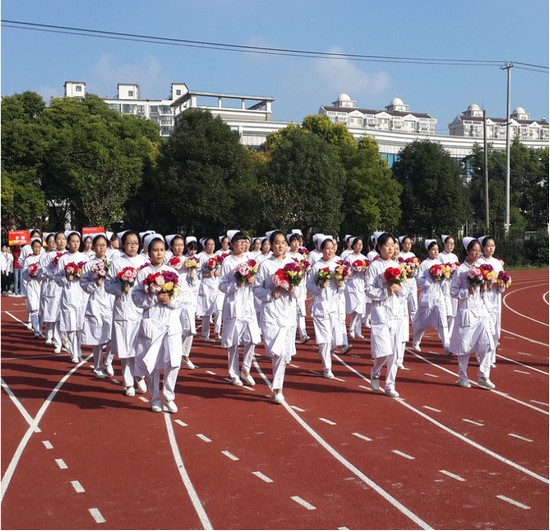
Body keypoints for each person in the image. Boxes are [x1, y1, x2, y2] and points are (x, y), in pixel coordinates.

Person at [132, 234, 185, 413]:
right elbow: (136, 297)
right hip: (153, 323)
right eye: (155, 250)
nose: (159, 253)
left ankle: (169, 396)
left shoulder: (173, 273)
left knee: (174, 361)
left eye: (162, 250)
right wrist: (154, 298)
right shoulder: (144, 273)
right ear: (148, 252)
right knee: (153, 363)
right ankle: (154, 398)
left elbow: (183, 297)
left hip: (171, 324)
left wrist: (169, 299)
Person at [253, 231, 298, 403]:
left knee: (282, 353)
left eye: (283, 243)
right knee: (276, 351)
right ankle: (277, 387)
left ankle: (277, 389)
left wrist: (292, 289)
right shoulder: (265, 265)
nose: (281, 246)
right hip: (271, 312)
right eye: (277, 243)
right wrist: (272, 293)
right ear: (271, 245)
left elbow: (300, 289)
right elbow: (257, 289)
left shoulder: (292, 265)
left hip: (287, 312)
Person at [105, 230, 148, 396]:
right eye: (129, 243)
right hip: (124, 310)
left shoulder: (144, 261)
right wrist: (120, 287)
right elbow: (108, 286)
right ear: (123, 244)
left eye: (135, 243)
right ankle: (129, 383)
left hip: (142, 310)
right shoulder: (117, 262)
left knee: (141, 347)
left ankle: (140, 375)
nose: (132, 246)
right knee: (126, 349)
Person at [449, 237, 496, 390]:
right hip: (467, 312)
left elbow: (484, 290)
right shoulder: (461, 270)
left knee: (488, 343)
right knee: (465, 347)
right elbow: (453, 291)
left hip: (481, 311)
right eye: (473, 251)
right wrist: (466, 291)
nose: (476, 254)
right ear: (467, 251)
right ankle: (462, 375)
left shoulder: (482, 268)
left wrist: (486, 286)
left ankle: (483, 375)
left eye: (478, 251)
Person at [365, 232, 405, 398]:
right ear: (379, 247)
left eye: (392, 245)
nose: (390, 248)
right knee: (384, 351)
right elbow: (368, 290)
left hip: (396, 313)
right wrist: (385, 291)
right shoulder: (374, 266)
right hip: (381, 313)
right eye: (387, 245)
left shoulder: (398, 266)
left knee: (395, 353)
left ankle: (390, 384)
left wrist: (399, 289)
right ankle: (375, 370)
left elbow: (404, 290)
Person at [219, 230, 261, 387]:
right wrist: (236, 284)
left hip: (248, 305)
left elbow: (257, 280)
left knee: (253, 339)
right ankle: (234, 374)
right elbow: (222, 285)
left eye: (245, 242)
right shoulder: (227, 262)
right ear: (232, 244)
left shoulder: (251, 260)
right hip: (234, 305)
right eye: (240, 242)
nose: (244, 244)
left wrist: (252, 280)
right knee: (233, 342)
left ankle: (246, 369)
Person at [306, 236, 345, 379]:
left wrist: (341, 284)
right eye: (327, 248)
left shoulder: (338, 266)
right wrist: (319, 287)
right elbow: (309, 285)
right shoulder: (316, 266)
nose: (330, 251)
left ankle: (325, 351)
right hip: (320, 306)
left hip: (334, 307)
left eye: (332, 248)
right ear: (321, 249)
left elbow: (342, 288)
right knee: (325, 339)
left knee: (336, 340)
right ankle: (327, 368)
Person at [80, 234, 115, 378]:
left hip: (111, 302)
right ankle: (98, 366)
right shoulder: (89, 265)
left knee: (113, 335)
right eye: (98, 245)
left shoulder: (113, 263)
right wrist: (95, 283)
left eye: (104, 245)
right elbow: (83, 284)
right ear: (94, 247)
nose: (101, 248)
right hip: (95, 303)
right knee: (98, 337)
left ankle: (109, 361)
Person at [54, 231, 90, 363]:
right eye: (73, 241)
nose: (75, 244)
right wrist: (66, 278)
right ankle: (73, 352)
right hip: (68, 296)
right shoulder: (63, 258)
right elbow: (57, 278)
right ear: (68, 243)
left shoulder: (85, 258)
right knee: (71, 326)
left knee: (80, 326)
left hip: (82, 296)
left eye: (78, 241)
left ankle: (78, 348)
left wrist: (81, 276)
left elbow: (89, 277)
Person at [411, 240, 450, 355]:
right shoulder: (424, 264)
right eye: (433, 250)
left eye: (437, 250)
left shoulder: (441, 264)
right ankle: (416, 341)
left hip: (439, 297)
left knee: (443, 321)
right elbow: (419, 281)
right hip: (427, 297)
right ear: (428, 250)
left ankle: (446, 345)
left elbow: (444, 281)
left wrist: (442, 279)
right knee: (422, 322)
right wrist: (430, 279)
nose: (436, 252)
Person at [479, 236, 504, 367]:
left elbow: (503, 279)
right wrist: (486, 282)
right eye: (488, 246)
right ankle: (483, 356)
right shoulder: (479, 262)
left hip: (495, 299)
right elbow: (476, 281)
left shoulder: (497, 263)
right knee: (485, 328)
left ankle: (492, 357)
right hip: (484, 298)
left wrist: (501, 284)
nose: (491, 248)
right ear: (483, 247)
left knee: (495, 328)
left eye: (493, 245)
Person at [40, 232, 67, 352]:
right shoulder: (51, 256)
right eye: (59, 239)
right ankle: (57, 342)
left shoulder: (69, 255)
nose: (61, 241)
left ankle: (65, 340)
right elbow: (44, 271)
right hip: (54, 289)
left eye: (63, 239)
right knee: (56, 317)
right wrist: (53, 274)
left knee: (65, 317)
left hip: (68, 290)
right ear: (55, 242)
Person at [197, 237, 223, 342]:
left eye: (213, 244)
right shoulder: (201, 258)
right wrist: (207, 274)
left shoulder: (219, 258)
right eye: (209, 244)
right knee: (207, 312)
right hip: (206, 287)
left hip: (217, 287)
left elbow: (223, 272)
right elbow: (197, 274)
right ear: (205, 246)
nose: (211, 246)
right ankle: (205, 334)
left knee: (218, 310)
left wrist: (218, 273)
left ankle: (217, 333)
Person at [287, 232, 310, 344]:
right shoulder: (286, 256)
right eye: (294, 241)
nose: (296, 244)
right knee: (291, 311)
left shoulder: (301, 257)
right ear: (290, 243)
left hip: (300, 287)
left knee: (301, 311)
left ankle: (303, 334)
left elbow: (305, 273)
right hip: (290, 287)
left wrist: (305, 270)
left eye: (298, 241)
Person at [344, 237, 368, 339]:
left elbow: (367, 273)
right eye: (357, 244)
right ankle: (352, 329)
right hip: (352, 285)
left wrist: (364, 271)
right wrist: (353, 270)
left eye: (361, 244)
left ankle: (358, 330)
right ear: (353, 245)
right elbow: (344, 271)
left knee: (360, 308)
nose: (359, 246)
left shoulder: (364, 258)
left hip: (361, 285)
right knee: (355, 308)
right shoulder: (349, 258)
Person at [22, 238, 45, 338]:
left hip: (41, 285)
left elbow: (46, 271)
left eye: (38, 247)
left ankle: (40, 328)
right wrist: (30, 275)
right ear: (32, 248)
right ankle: (36, 330)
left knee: (41, 310)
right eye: (35, 247)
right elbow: (24, 274)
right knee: (34, 308)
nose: (37, 249)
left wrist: (40, 277)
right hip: (32, 285)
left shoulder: (44, 258)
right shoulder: (28, 260)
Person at [438, 235, 459, 338]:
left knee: (453, 313)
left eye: (452, 244)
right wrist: (446, 272)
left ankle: (450, 335)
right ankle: (444, 333)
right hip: (444, 285)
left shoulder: (454, 256)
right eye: (449, 243)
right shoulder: (440, 256)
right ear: (444, 244)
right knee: (447, 312)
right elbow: (438, 270)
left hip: (453, 285)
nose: (451, 246)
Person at [398, 235, 418, 322]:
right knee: (403, 306)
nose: (408, 245)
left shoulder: (413, 255)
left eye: (410, 243)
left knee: (414, 305)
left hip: (412, 282)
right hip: (403, 282)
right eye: (406, 243)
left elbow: (416, 270)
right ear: (402, 244)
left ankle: (415, 327)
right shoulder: (399, 255)